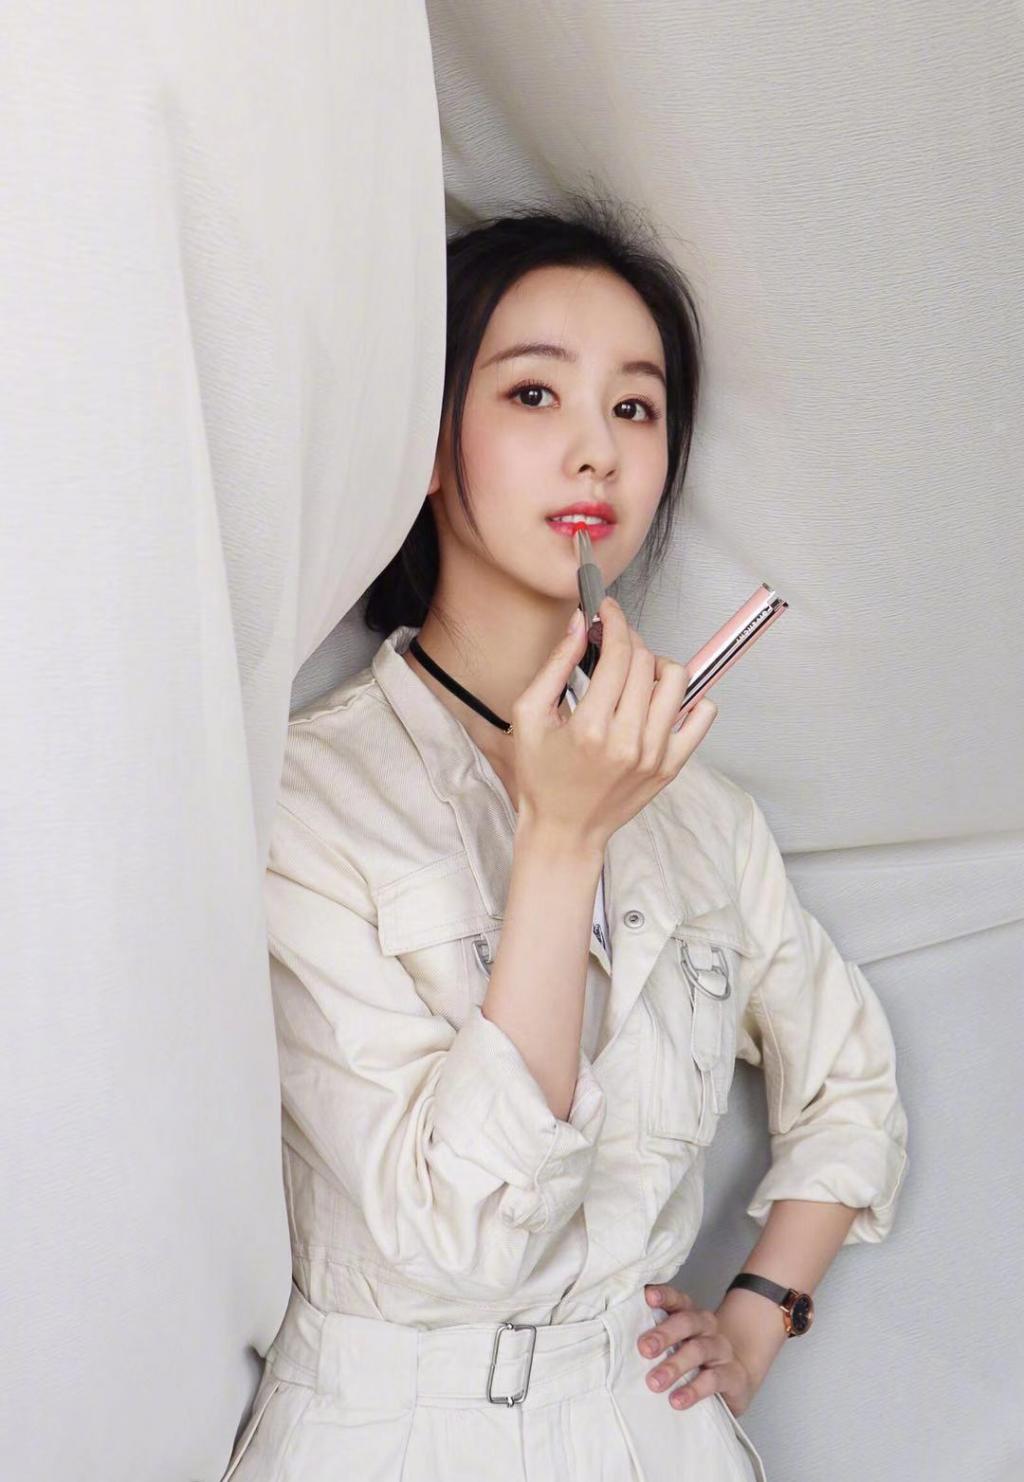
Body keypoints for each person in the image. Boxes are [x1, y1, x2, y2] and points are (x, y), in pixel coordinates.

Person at [222, 198, 909, 1481]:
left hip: (653, 1433)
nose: (596, 451)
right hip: (390, 1436)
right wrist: (561, 838)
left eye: (634, 408)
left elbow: (849, 1085)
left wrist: (757, 1321)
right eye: (534, 395)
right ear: (427, 446)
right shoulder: (304, 798)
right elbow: (458, 1240)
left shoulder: (703, 815)